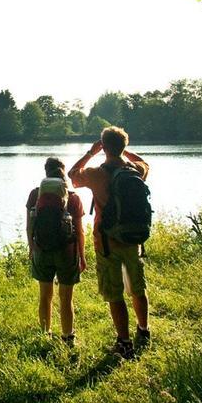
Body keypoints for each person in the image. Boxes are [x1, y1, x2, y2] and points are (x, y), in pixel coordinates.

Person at [69, 126, 151, 358]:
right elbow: (146, 163)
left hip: (107, 242)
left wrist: (91, 152)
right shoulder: (135, 170)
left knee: (115, 293)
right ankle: (144, 330)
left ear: (103, 147)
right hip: (133, 240)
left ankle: (124, 343)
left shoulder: (97, 173)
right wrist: (124, 152)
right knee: (137, 287)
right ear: (123, 146)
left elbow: (73, 174)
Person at [26, 156, 87, 347]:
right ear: (63, 173)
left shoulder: (35, 195)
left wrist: (31, 248)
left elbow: (29, 227)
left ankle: (46, 334)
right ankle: (68, 338)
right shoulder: (73, 197)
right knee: (66, 297)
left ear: (46, 173)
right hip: (67, 252)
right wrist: (82, 256)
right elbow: (80, 231)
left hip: (42, 249)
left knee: (45, 295)